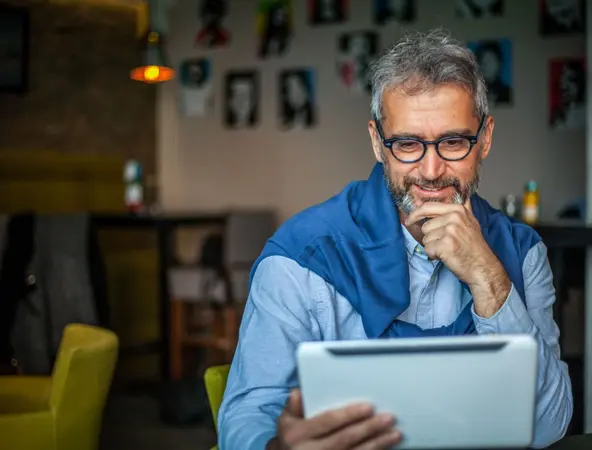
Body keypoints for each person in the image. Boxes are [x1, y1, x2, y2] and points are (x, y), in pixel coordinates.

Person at [218, 29, 573, 450]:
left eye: (454, 141)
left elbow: (550, 426)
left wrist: (489, 279)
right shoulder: (301, 257)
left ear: (485, 139)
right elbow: (245, 419)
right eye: (407, 144)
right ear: (377, 142)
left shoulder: (522, 252)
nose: (431, 170)